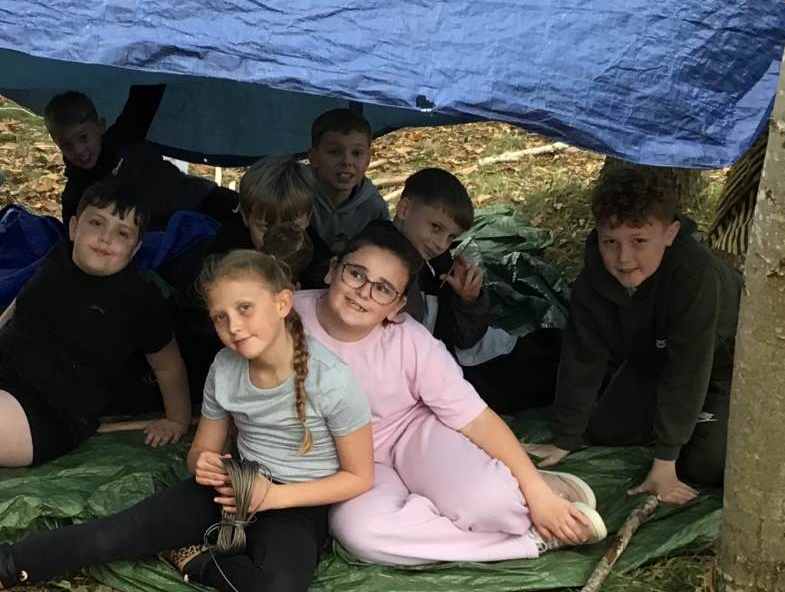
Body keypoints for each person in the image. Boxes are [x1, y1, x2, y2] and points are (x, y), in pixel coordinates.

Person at [0, 250, 372, 592]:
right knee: (114, 535)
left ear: (282, 303)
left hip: (296, 500)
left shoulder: (332, 380)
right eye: (220, 317)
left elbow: (359, 476)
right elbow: (201, 452)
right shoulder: (224, 368)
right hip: (234, 485)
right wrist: (205, 464)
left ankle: (197, 560)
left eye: (245, 309)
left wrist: (275, 497)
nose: (233, 326)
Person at [299, 222, 605, 565]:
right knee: (362, 533)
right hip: (351, 464)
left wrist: (535, 491)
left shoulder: (411, 341)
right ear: (332, 270)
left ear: (397, 306)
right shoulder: (285, 318)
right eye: (356, 274)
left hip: (411, 434)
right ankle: (528, 539)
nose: (364, 292)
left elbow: (477, 420)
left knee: (494, 504)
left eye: (383, 288)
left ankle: (530, 490)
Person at [0, 178, 190, 466]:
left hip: (45, 410)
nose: (106, 238)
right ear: (73, 228)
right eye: (96, 223)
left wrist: (177, 419)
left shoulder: (140, 299)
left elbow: (168, 365)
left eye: (122, 233)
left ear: (134, 249)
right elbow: (26, 295)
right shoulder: (59, 256)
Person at [553, 164, 740, 503]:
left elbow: (689, 367)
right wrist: (565, 437)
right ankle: (682, 425)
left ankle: (699, 426)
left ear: (670, 233)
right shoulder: (594, 275)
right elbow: (582, 355)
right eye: (610, 242)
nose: (624, 258)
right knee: (605, 431)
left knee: (704, 465)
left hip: (722, 365)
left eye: (639, 241)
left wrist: (665, 460)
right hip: (652, 358)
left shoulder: (696, 275)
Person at [394, 167, 561, 412]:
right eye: (436, 227)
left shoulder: (431, 260)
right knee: (557, 378)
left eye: (451, 238)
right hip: (462, 374)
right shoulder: (390, 270)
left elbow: (465, 333)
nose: (440, 244)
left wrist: (468, 299)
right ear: (404, 209)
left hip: (475, 350)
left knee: (557, 346)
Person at [160, 155, 315, 396]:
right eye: (265, 227)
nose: (277, 238)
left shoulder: (316, 256)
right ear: (245, 216)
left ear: (308, 217)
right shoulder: (226, 254)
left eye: (290, 226)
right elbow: (201, 317)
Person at [47, 85, 239, 232]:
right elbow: (75, 240)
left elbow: (148, 89)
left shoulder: (125, 136)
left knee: (245, 210)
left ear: (100, 126)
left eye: (83, 137)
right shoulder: (75, 195)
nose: (79, 150)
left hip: (196, 199)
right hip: (162, 237)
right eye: (67, 145)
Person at [301, 108, 387, 284]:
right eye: (335, 152)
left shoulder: (374, 208)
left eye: (356, 153)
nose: (347, 161)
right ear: (313, 157)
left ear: (368, 159)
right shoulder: (296, 194)